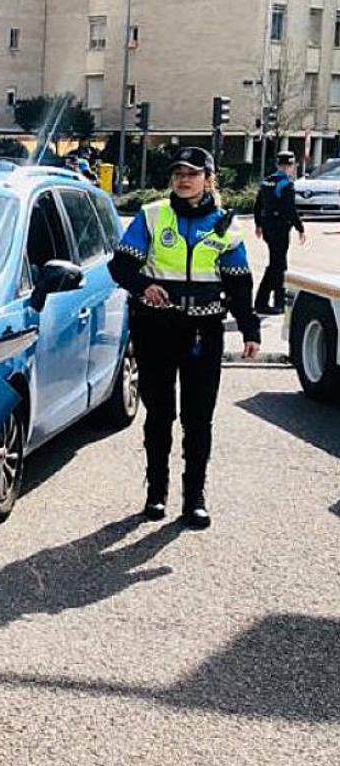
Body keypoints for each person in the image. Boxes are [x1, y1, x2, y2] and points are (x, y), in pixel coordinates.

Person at [108, 146, 260, 529]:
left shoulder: (226, 225)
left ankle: (194, 498)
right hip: (156, 328)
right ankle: (156, 493)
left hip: (203, 332)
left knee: (198, 418)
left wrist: (249, 328)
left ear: (208, 179)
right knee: (159, 414)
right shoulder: (153, 215)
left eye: (192, 173)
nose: (184, 179)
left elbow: (240, 285)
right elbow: (121, 266)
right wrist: (145, 286)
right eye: (178, 173)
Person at [253, 150, 307, 315]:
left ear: (277, 164)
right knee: (277, 266)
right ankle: (265, 302)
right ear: (291, 166)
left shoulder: (267, 182)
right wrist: (300, 227)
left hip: (268, 228)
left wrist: (258, 224)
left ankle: (277, 301)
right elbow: (289, 209)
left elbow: (258, 205)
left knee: (278, 264)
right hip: (280, 228)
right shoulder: (286, 184)